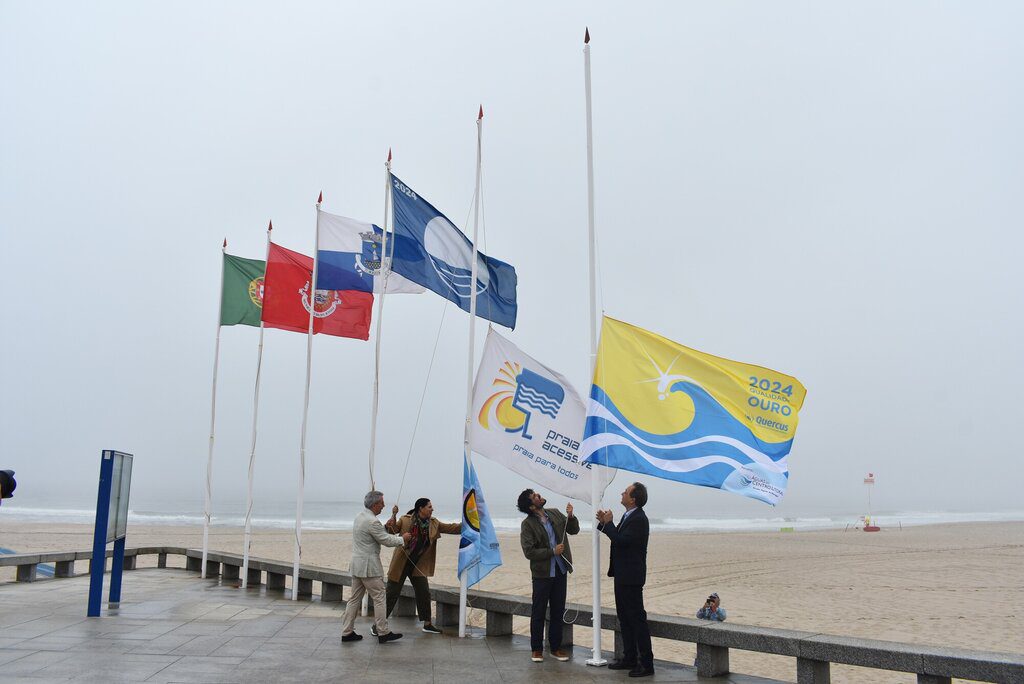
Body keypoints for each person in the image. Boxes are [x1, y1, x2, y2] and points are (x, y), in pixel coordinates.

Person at [596, 482, 653, 678]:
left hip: (631, 577)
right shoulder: (629, 515)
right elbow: (618, 537)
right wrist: (605, 523)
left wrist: (609, 524)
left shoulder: (638, 518)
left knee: (637, 620)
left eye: (625, 491)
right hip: (622, 575)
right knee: (625, 619)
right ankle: (629, 658)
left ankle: (646, 663)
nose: (622, 492)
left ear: (633, 498)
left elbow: (622, 541)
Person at [340, 490, 412, 644]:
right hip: (369, 567)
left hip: (357, 565)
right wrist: (403, 539)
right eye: (381, 503)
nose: (384, 505)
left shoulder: (360, 517)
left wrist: (385, 527)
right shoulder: (373, 521)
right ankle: (383, 632)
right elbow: (386, 541)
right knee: (380, 598)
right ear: (374, 504)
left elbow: (375, 535)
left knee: (354, 599)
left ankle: (347, 632)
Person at [381, 497, 461, 634]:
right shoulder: (405, 520)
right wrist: (393, 515)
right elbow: (391, 530)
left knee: (424, 593)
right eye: (429, 507)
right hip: (401, 563)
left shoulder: (434, 523)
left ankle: (427, 624)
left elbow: (452, 528)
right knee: (391, 594)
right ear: (421, 508)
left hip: (418, 565)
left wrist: (470, 523)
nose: (432, 509)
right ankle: (378, 625)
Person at [517, 488, 579, 664]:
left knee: (558, 611)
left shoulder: (555, 513)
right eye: (535, 496)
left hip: (560, 570)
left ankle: (555, 648)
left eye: (537, 494)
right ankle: (536, 649)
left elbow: (573, 530)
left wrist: (571, 516)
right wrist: (552, 551)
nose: (539, 496)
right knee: (539, 611)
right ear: (531, 506)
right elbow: (529, 552)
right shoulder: (527, 524)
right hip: (542, 574)